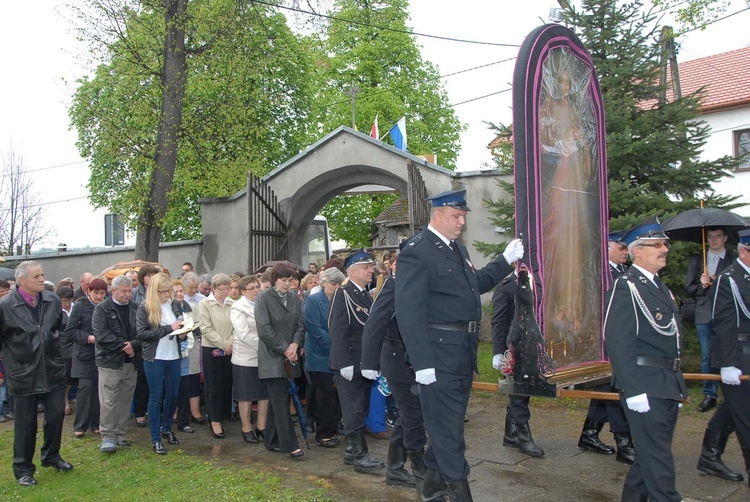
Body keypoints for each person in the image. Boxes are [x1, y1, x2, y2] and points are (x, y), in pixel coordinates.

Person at [395, 189, 523, 501]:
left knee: (447, 426)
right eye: (456, 216)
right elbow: (408, 311)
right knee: (449, 433)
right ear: (437, 214)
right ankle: (458, 492)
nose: (461, 222)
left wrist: (505, 260)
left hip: (461, 353)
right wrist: (422, 362)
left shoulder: (455, 249)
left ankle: (432, 490)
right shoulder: (417, 250)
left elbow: (474, 284)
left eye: (463, 216)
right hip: (437, 356)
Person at [604, 219, 687, 502]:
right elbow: (618, 341)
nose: (664, 249)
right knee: (659, 465)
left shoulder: (658, 287)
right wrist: (633, 389)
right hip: (644, 384)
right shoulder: (627, 286)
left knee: (648, 459)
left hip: (665, 383)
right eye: (657, 245)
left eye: (665, 244)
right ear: (637, 251)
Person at [0, 261, 73, 486]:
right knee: (25, 423)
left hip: (52, 369)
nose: (42, 279)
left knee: (55, 417)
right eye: (37, 276)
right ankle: (23, 468)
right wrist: (11, 364)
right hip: (23, 373)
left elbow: (63, 327)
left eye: (42, 275)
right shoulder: (5, 305)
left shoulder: (51, 300)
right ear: (22, 280)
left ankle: (51, 456)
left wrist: (56, 350)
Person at [362, 250, 428, 491]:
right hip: (395, 358)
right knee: (413, 414)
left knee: (411, 414)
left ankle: (395, 468)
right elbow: (374, 324)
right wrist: (369, 363)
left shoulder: (420, 286)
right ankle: (421, 471)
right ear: (393, 266)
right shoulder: (392, 286)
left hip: (416, 359)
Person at [697, 228, 750, 484]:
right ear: (743, 251)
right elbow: (723, 322)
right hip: (738, 356)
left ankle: (709, 455)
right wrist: (728, 364)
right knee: (746, 415)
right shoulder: (730, 278)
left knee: (735, 408)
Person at [577, 233, 635, 464]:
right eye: (620, 247)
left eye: (625, 248)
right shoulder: (599, 273)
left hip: (619, 338)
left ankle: (589, 434)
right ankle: (624, 442)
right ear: (606, 247)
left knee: (605, 389)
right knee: (613, 390)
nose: (625, 251)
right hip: (602, 340)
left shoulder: (623, 272)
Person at [329, 249, 385, 472]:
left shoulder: (363, 293)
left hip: (363, 361)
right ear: (352, 271)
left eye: (371, 267)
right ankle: (360, 455)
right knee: (353, 409)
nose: (371, 271)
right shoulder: (342, 293)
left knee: (361, 407)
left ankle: (352, 452)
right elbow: (337, 330)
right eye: (366, 267)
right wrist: (344, 362)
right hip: (349, 361)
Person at [254, 263, 305, 459]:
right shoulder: (263, 298)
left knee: (279, 401)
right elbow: (264, 330)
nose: (287, 284)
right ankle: (290, 444)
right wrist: (284, 348)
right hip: (272, 357)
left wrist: (295, 344)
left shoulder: (293, 297)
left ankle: (272, 439)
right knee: (281, 400)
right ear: (274, 280)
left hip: (290, 356)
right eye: (283, 280)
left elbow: (301, 324)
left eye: (290, 280)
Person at [491, 270, 544, 458]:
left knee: (524, 391)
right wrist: (498, 352)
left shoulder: (540, 281)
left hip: (535, 345)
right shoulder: (507, 286)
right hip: (514, 346)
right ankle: (523, 437)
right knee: (519, 392)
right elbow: (498, 320)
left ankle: (511, 434)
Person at [685, 226, 737, 413]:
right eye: (710, 237)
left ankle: (732, 394)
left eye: (717, 237)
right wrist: (702, 284)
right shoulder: (698, 261)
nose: (713, 240)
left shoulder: (734, 260)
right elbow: (689, 289)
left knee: (730, 354)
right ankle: (709, 394)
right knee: (707, 356)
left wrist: (716, 283)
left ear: (725, 238)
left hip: (727, 315)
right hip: (704, 314)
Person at [136, 272, 186, 455]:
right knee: (156, 396)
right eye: (163, 291)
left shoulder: (174, 304)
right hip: (155, 357)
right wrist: (168, 329)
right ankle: (155, 438)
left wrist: (183, 332)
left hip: (173, 355)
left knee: (173, 396)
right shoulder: (145, 307)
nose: (167, 294)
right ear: (154, 291)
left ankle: (167, 429)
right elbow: (141, 334)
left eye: (168, 291)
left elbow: (180, 325)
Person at [92, 274, 140, 453]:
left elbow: (142, 332)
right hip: (110, 361)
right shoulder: (102, 309)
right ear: (113, 291)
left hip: (130, 362)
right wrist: (123, 346)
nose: (127, 295)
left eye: (129, 291)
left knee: (125, 399)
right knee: (109, 401)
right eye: (123, 291)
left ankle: (121, 433)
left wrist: (133, 345)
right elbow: (101, 334)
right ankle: (108, 436)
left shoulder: (136, 308)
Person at [305, 267, 345, 448]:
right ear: (324, 283)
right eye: (334, 284)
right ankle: (323, 433)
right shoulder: (314, 300)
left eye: (339, 284)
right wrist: (334, 344)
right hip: (319, 354)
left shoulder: (339, 299)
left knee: (335, 394)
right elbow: (313, 328)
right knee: (325, 395)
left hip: (336, 353)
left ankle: (333, 425)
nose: (337, 287)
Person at [67, 278, 109, 438]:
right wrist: (88, 338)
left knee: (99, 389)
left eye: (102, 293)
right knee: (86, 389)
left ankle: (95, 423)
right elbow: (70, 331)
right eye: (95, 293)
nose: (99, 296)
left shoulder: (106, 306)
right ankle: (80, 425)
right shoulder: (79, 306)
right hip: (84, 354)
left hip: (102, 354)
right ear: (88, 292)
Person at [230, 275, 269, 443]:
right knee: (245, 395)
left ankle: (261, 426)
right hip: (245, 357)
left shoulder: (263, 304)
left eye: (257, 287)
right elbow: (243, 333)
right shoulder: (238, 307)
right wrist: (264, 347)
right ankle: (246, 428)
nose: (255, 290)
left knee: (263, 393)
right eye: (251, 288)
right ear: (243, 291)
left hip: (264, 357)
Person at [198, 273, 235, 438]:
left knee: (227, 383)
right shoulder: (205, 304)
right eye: (222, 289)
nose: (226, 292)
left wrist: (231, 343)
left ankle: (223, 413)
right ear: (213, 289)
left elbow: (238, 326)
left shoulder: (233, 304)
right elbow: (205, 329)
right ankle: (214, 420)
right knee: (213, 386)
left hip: (230, 349)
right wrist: (224, 344)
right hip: (211, 349)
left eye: (228, 288)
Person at [171, 279, 199, 434]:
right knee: (169, 388)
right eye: (175, 292)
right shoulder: (167, 309)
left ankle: (183, 421)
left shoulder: (190, 308)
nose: (179, 294)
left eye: (181, 291)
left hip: (186, 352)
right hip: (170, 353)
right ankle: (168, 418)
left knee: (184, 388)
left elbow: (195, 328)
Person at [57, 286, 76, 416]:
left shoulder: (76, 308)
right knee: (66, 377)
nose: (67, 303)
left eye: (69, 300)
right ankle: (65, 402)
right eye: (64, 300)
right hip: (64, 348)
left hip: (77, 347)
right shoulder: (56, 311)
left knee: (75, 376)